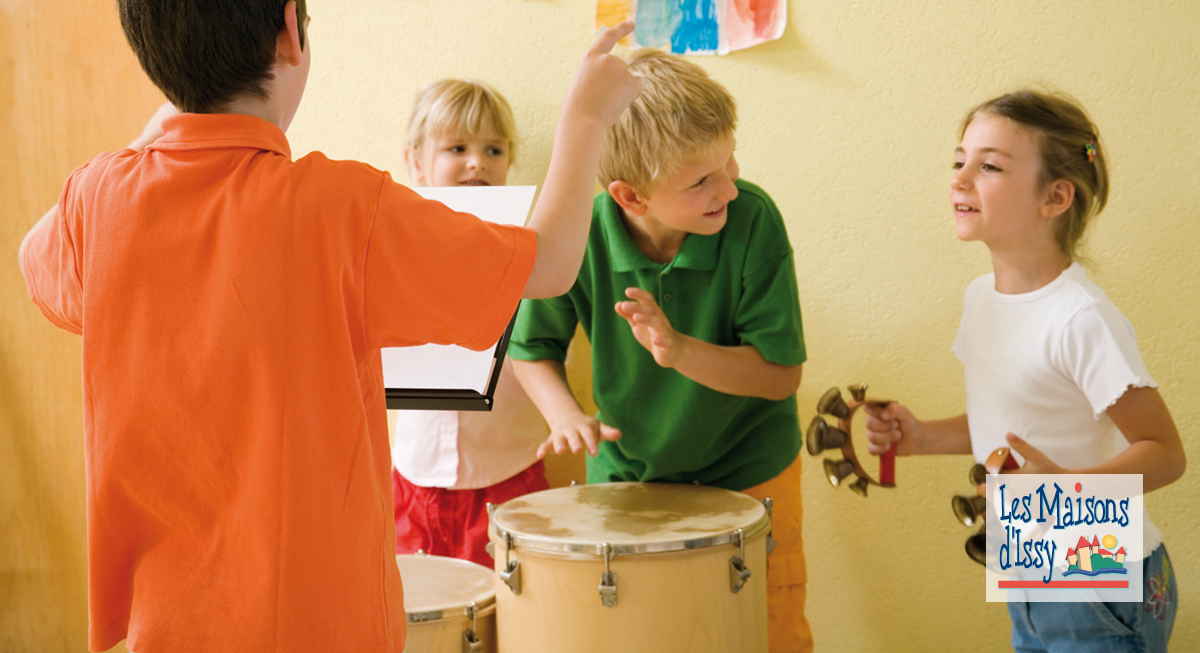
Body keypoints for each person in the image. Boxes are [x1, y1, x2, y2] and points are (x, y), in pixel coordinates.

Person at [17, 0, 641, 648]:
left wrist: (175, 106)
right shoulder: (343, 210)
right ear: (291, 31)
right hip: (320, 625)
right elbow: (550, 264)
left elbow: (32, 257)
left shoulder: (98, 202)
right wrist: (586, 116)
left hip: (166, 627)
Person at [509, 49, 812, 653]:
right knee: (638, 636)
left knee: (764, 633)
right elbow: (530, 346)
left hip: (751, 474)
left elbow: (781, 377)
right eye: (701, 180)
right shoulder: (580, 233)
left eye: (727, 158)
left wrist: (679, 351)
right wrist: (563, 414)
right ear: (631, 196)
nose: (728, 184)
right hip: (629, 480)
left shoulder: (752, 218)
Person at [864, 89, 1185, 652]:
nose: (960, 178)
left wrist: (1063, 490)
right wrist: (921, 437)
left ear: (1055, 197)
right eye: (958, 160)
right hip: (1030, 567)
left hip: (1098, 579)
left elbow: (1165, 452)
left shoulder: (1081, 319)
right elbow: (1008, 421)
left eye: (988, 165)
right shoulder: (981, 298)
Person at [390, 78, 549, 568]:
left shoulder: (530, 252)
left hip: (508, 473)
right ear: (416, 160)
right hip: (414, 478)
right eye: (457, 148)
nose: (477, 162)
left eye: (493, 149)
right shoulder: (393, 244)